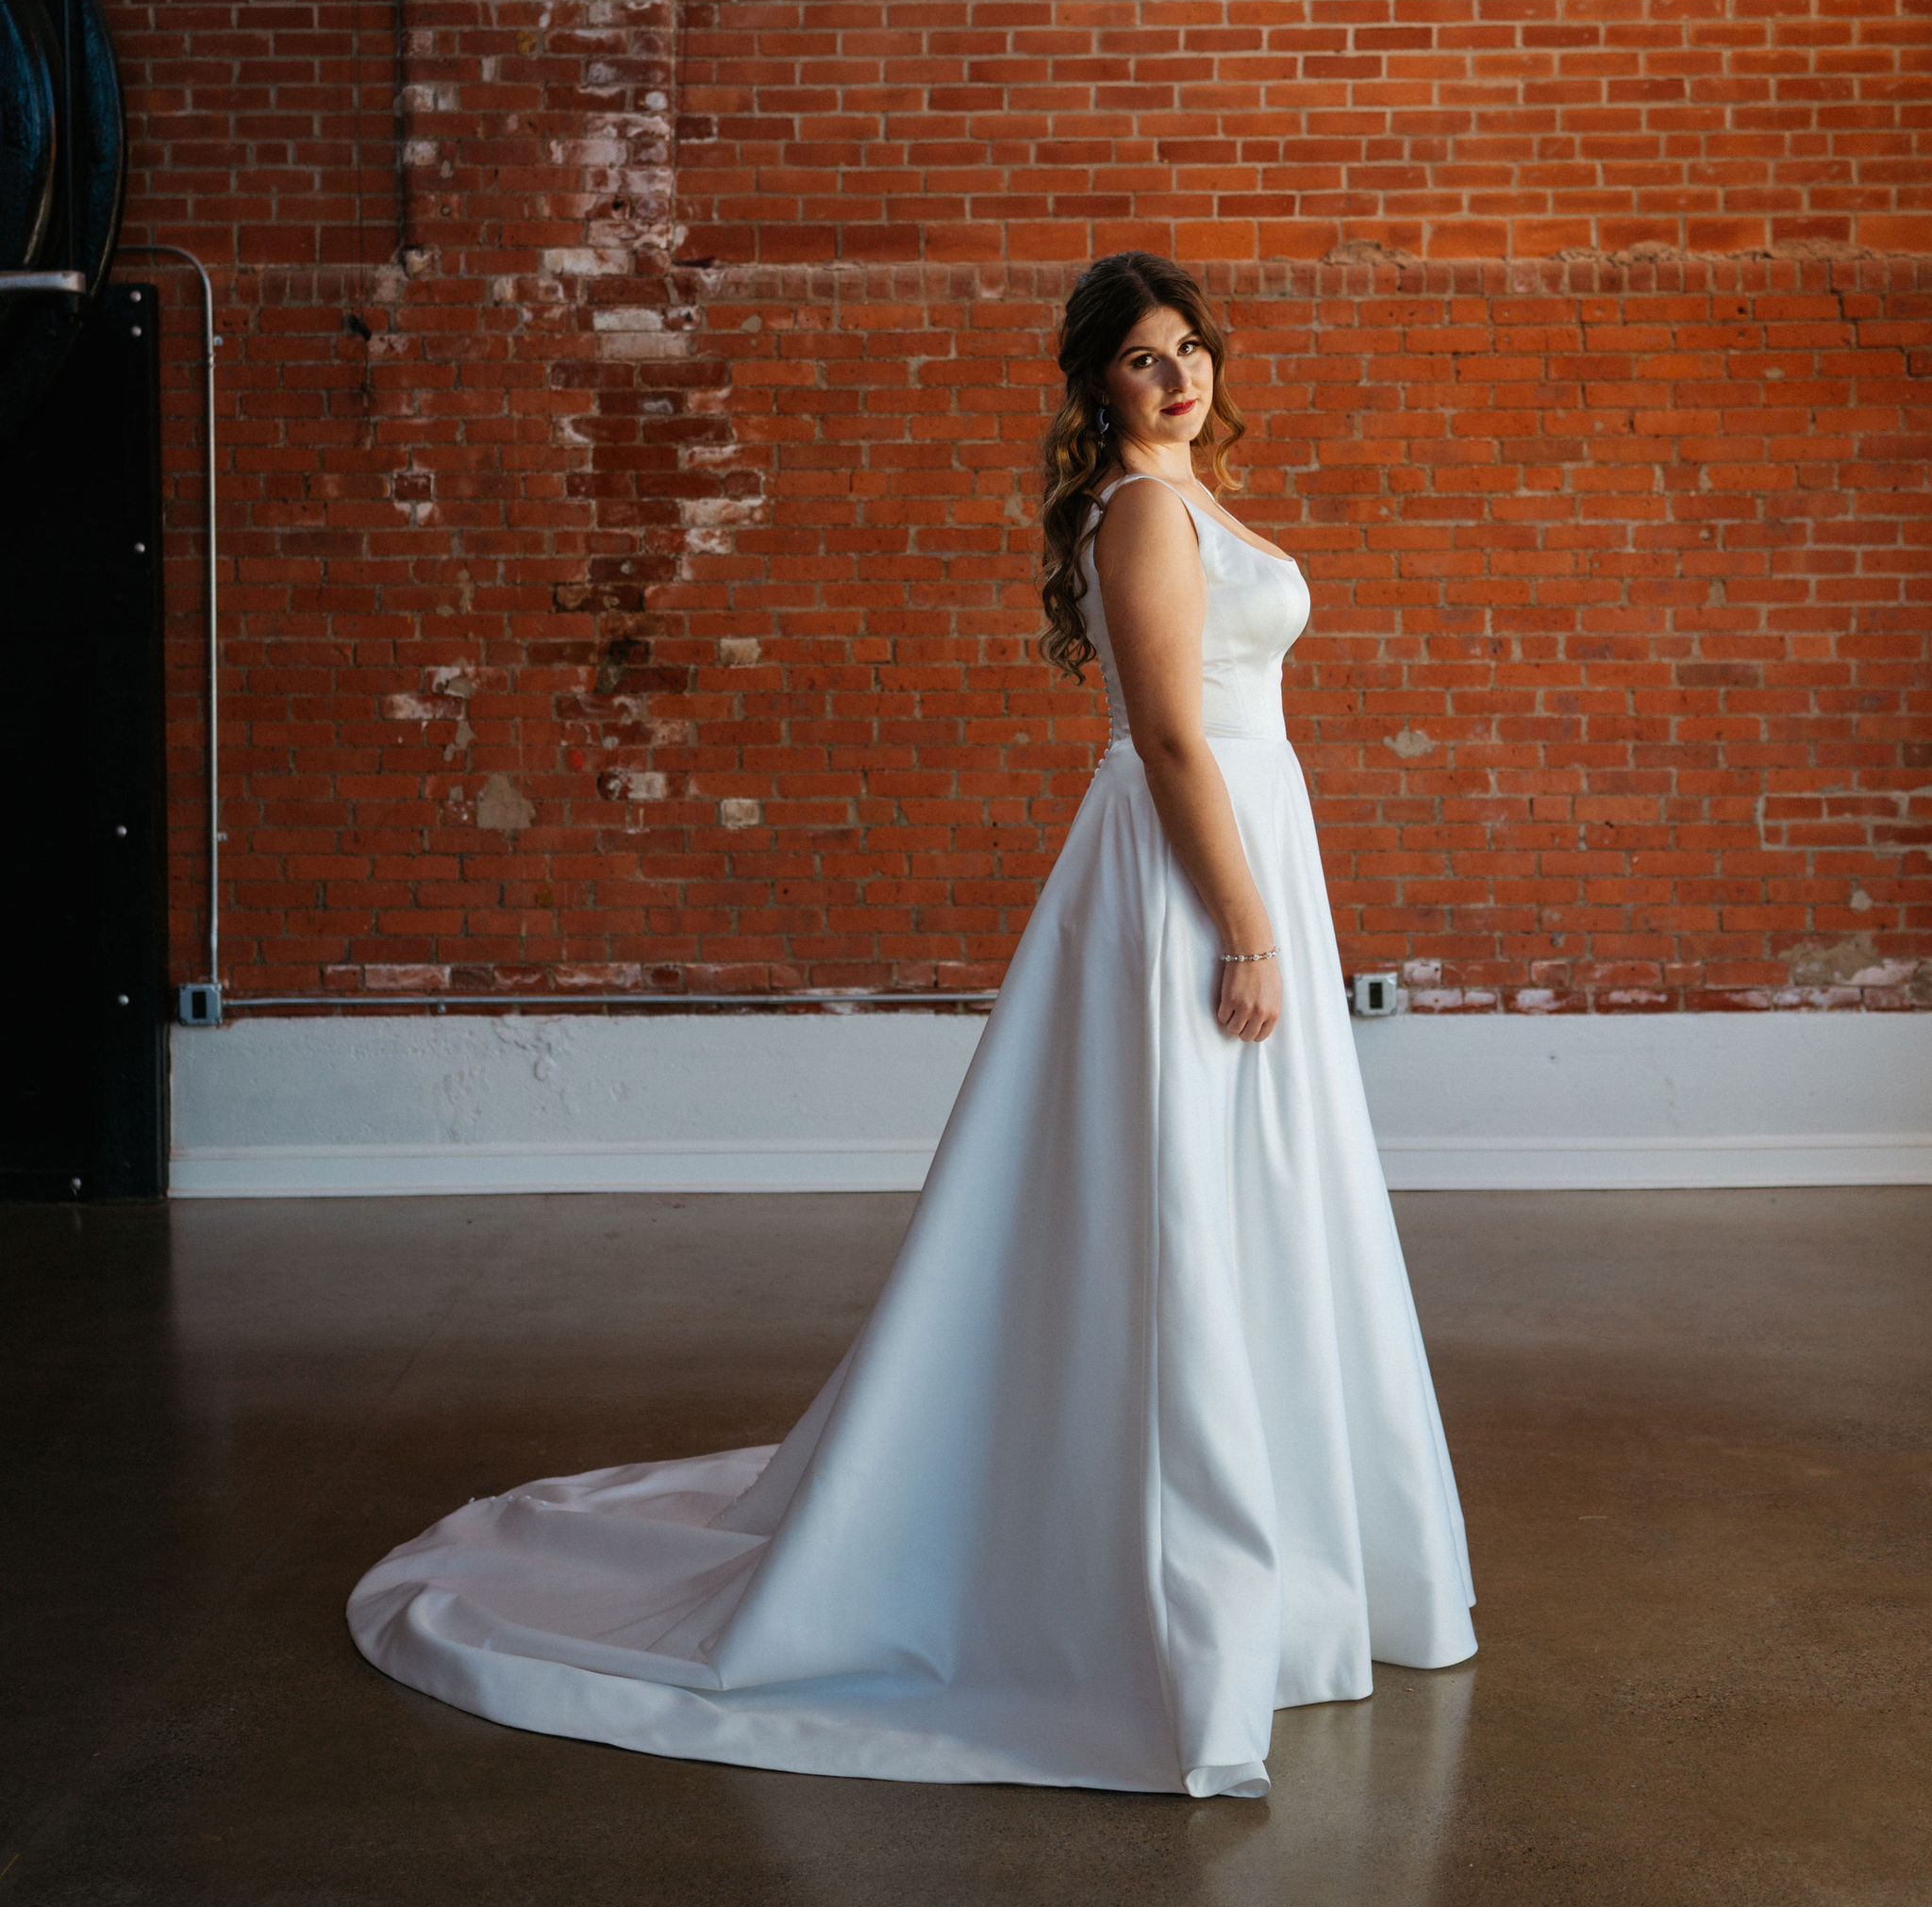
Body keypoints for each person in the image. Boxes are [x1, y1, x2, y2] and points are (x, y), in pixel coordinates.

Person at [349, 252, 1475, 1798]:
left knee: (1252, 1197)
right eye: (1142, 360)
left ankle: (1271, 1538)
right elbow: (1165, 735)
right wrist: (1252, 929)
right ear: (1097, 387)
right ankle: (1174, 1567)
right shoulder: (1145, 512)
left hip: (1246, 841)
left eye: (1190, 349)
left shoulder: (1191, 496)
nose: (1177, 376)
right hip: (1195, 876)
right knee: (1186, 1200)